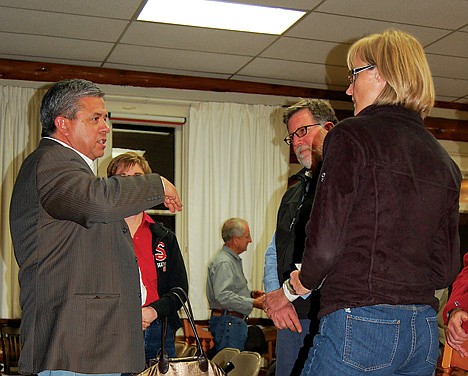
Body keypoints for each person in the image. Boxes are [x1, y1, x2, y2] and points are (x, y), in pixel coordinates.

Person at [286, 29, 462, 375]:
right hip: (422, 332)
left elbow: (324, 245)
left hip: (361, 323)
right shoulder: (445, 161)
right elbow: (445, 270)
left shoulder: (350, 135)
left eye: (354, 75)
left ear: (380, 73)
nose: (349, 89)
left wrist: (299, 284)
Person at [9, 79, 182, 376]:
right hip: (75, 347)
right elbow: (99, 201)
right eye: (95, 118)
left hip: (88, 345)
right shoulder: (52, 161)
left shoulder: (67, 168)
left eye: (106, 118)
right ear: (63, 123)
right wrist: (156, 183)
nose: (105, 127)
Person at [262, 99, 337, 376]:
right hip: (289, 317)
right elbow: (274, 250)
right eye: (292, 136)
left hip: (326, 317)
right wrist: (275, 299)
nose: (296, 142)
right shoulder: (293, 193)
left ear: (328, 129)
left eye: (303, 131)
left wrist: (285, 295)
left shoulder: (340, 185)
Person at [107, 152, 189, 362]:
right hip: (112, 333)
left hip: (159, 333)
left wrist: (153, 311)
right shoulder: (100, 234)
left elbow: (180, 290)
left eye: (138, 177)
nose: (131, 184)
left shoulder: (164, 237)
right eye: (122, 178)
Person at [206, 218, 264, 352]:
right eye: (247, 236)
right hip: (229, 323)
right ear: (235, 239)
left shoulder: (229, 260)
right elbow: (223, 296)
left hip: (230, 323)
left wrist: (251, 294)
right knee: (231, 368)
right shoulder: (225, 263)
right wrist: (254, 302)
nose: (250, 240)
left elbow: (229, 291)